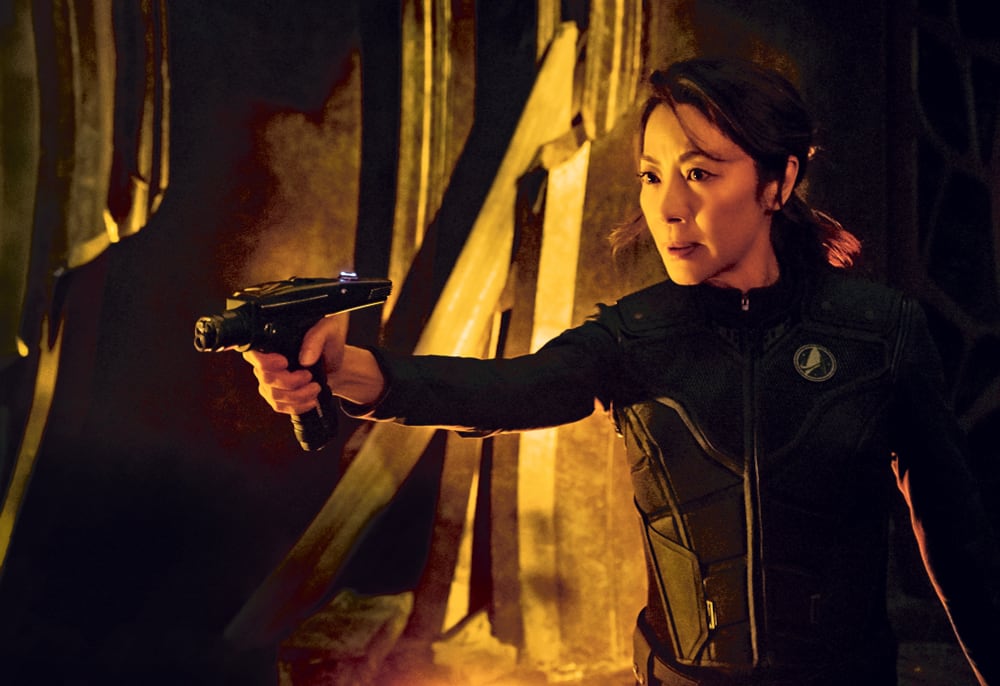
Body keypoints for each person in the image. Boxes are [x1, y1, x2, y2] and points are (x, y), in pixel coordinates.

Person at [242, 58, 999, 685]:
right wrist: (347, 369)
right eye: (650, 174)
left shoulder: (878, 332)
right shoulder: (637, 335)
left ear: (778, 182)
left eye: (700, 173)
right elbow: (506, 393)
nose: (668, 206)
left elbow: (957, 542)